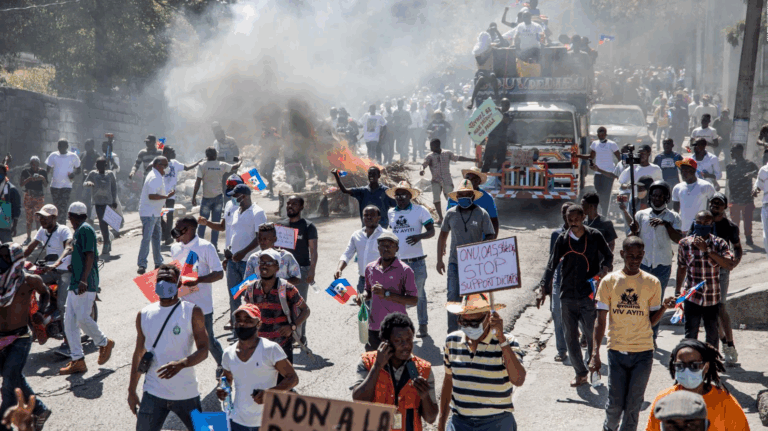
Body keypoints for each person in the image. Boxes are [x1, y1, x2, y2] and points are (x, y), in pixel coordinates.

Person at [589, 236, 676, 431]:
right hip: (616, 351)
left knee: (633, 406)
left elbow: (651, 322)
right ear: (622, 254)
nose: (634, 260)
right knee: (615, 405)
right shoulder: (609, 281)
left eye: (638, 256)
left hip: (643, 353)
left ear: (643, 256)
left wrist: (663, 308)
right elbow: (600, 320)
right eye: (630, 255)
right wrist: (595, 354)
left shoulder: (652, 282)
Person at [536, 204, 613, 387]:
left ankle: (594, 364)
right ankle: (580, 373)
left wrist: (604, 270)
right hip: (566, 296)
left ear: (583, 217)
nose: (573, 223)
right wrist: (542, 288)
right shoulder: (562, 240)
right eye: (569, 220)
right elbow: (551, 265)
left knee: (591, 334)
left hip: (588, 295)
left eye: (576, 219)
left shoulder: (594, 236)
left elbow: (608, 256)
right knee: (571, 338)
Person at [127, 264, 209, 431]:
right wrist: (131, 391)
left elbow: (204, 350)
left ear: (179, 284)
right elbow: (138, 354)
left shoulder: (193, 312)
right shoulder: (143, 314)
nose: (164, 284)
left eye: (169, 280)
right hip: (153, 392)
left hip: (186, 393)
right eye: (160, 280)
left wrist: (182, 363)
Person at [438, 294, 525, 431]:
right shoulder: (452, 341)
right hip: (460, 422)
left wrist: (502, 340)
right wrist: (441, 424)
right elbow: (448, 382)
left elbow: (518, 379)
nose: (469, 327)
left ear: (488, 318)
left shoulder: (508, 341)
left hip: (496, 423)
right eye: (464, 322)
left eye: (474, 323)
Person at [54, 202, 115, 375]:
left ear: (71, 217)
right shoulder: (80, 230)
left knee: (81, 318)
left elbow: (90, 255)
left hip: (84, 283)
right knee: (69, 321)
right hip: (77, 282)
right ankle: (77, 360)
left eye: (71, 217)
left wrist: (83, 280)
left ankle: (104, 342)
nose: (71, 220)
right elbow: (81, 255)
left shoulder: (85, 230)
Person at [217, 303, 299, 431]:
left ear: (259, 324)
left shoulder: (270, 349)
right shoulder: (228, 353)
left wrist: (270, 393)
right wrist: (221, 388)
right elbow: (226, 378)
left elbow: (292, 378)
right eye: (239, 320)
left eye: (248, 320)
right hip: (237, 421)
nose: (242, 324)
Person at [200, 184, 266, 337]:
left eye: (236, 196)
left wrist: (242, 252)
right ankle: (238, 331)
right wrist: (229, 257)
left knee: (251, 296)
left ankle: (254, 330)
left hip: (249, 263)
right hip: (233, 262)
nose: (233, 199)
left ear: (246, 196)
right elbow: (232, 233)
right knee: (234, 295)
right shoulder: (237, 211)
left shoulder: (257, 213)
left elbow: (260, 238)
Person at [352, 313, 438, 431]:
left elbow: (431, 419)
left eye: (409, 339)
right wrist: (377, 366)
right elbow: (358, 400)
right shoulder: (368, 362)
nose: (406, 345)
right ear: (386, 342)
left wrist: (425, 396)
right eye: (399, 341)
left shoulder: (423, 369)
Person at [0, 243, 52, 431]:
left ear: (16, 259)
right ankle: (40, 409)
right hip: (0, 339)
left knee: (8, 383)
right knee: (14, 377)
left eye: (6, 257)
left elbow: (45, 293)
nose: (2, 261)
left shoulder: (30, 280)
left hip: (20, 338)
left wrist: (42, 311)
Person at [646, 338, 750, 431]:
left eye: (694, 365)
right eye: (680, 365)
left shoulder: (726, 402)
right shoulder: (663, 399)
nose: (687, 370)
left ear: (706, 367)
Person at [437, 180, 497, 333]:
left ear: (472, 195)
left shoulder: (481, 213)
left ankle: (475, 331)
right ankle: (452, 333)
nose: (464, 197)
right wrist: (439, 260)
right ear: (457, 197)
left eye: (467, 194)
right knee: (453, 299)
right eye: (461, 195)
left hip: (475, 265)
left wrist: (481, 249)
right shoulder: (451, 213)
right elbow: (442, 235)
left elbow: (491, 234)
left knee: (475, 300)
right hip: (454, 264)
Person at [170, 216, 225, 375]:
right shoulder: (175, 248)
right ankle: (178, 370)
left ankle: (223, 366)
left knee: (208, 341)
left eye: (178, 228)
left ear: (188, 230)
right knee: (178, 340)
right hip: (180, 304)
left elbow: (219, 274)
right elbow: (176, 272)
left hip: (201, 306)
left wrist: (198, 280)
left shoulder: (205, 247)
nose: (175, 232)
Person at [629, 181, 683, 340]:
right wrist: (633, 231)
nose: (657, 198)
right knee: (639, 300)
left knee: (656, 302)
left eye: (661, 196)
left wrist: (666, 225)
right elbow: (633, 239)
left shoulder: (673, 216)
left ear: (666, 197)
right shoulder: (641, 214)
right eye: (654, 195)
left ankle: (652, 337)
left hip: (662, 265)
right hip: (644, 264)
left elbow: (678, 239)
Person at [676, 210, 736, 348]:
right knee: (690, 335)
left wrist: (707, 250)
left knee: (712, 335)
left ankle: (711, 365)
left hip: (712, 297)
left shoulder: (719, 243)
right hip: (692, 296)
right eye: (699, 222)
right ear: (694, 223)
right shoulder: (685, 244)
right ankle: (691, 364)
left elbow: (729, 264)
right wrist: (678, 290)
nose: (701, 225)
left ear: (711, 224)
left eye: (706, 223)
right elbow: (681, 268)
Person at [242, 249, 311, 363]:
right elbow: (249, 316)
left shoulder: (287, 288)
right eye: (262, 263)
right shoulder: (251, 289)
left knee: (286, 380)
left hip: (282, 347)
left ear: (277, 268)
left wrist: (292, 326)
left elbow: (305, 310)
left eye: (269, 263)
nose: (264, 266)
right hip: (259, 347)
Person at [386, 182, 435, 338]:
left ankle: (423, 325)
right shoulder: (391, 212)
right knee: (397, 296)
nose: (400, 198)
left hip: (417, 262)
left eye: (403, 195)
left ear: (410, 196)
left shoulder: (420, 211)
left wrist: (418, 237)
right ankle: (401, 328)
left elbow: (432, 231)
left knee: (419, 294)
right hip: (397, 262)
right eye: (397, 195)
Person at [355, 231, 418, 351]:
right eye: (382, 245)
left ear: (397, 248)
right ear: (378, 248)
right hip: (374, 326)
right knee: (373, 363)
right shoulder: (370, 268)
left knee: (396, 364)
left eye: (390, 245)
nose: (386, 248)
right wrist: (362, 297)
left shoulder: (405, 270)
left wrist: (386, 294)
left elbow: (413, 300)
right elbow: (368, 291)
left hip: (397, 328)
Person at [24, 204, 73, 355]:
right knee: (26, 285)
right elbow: (30, 248)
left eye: (45, 217)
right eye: (40, 217)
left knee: (62, 304)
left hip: (64, 271)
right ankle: (36, 321)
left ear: (54, 217)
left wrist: (58, 263)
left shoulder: (63, 230)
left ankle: (68, 342)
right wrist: (14, 261)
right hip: (49, 270)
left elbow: (68, 248)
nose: (41, 220)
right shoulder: (42, 231)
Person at [706, 194, 742, 365]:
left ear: (725, 207)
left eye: (719, 204)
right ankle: (722, 343)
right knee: (709, 312)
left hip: (720, 271)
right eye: (713, 203)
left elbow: (737, 248)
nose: (715, 206)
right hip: (703, 272)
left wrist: (735, 262)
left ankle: (730, 346)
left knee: (720, 308)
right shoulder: (702, 222)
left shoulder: (730, 226)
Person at [279, 196, 318, 344]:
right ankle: (286, 336)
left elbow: (313, 251)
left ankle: (301, 337)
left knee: (300, 306)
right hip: (283, 272)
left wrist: (311, 271)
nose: (290, 206)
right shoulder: (281, 226)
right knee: (283, 305)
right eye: (288, 203)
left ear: (301, 207)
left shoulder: (308, 226)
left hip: (301, 270)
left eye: (294, 204)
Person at [192, 147, 241, 250]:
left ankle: (199, 245)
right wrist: (240, 160)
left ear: (206, 156)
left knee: (202, 222)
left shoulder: (202, 165)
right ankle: (214, 245)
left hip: (206, 198)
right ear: (215, 155)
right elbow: (234, 167)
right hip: (218, 198)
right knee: (216, 222)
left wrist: (194, 196)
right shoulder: (221, 164)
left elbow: (197, 182)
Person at [420, 139, 476, 224]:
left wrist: (472, 160)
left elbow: (458, 158)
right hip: (435, 181)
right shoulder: (430, 156)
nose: (430, 147)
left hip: (447, 180)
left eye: (431, 146)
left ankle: (457, 216)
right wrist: (422, 170)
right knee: (436, 199)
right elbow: (423, 164)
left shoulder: (447, 153)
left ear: (437, 146)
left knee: (451, 199)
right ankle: (441, 218)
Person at [335, 205, 384, 298]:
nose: (368, 217)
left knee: (381, 311)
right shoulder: (356, 235)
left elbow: (396, 259)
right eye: (366, 215)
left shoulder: (386, 235)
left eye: (372, 215)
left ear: (379, 218)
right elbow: (347, 254)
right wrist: (339, 269)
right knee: (364, 311)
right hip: (363, 281)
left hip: (381, 281)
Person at [136, 157, 173, 275]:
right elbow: (152, 195)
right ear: (158, 165)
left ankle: (158, 262)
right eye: (165, 166)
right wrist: (166, 197)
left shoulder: (157, 176)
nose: (166, 169)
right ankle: (142, 264)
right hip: (149, 213)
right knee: (147, 238)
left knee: (157, 237)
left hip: (155, 212)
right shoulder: (154, 177)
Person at [160, 146, 202, 245]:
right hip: (160, 194)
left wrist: (197, 162)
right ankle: (165, 233)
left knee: (170, 216)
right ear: (166, 153)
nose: (174, 153)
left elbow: (187, 168)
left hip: (171, 194)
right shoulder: (160, 162)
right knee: (159, 215)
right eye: (172, 152)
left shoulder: (175, 163)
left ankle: (167, 237)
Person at [331, 166, 396, 229]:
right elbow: (344, 190)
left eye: (374, 174)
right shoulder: (362, 191)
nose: (371, 176)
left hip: (382, 228)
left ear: (379, 176)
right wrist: (336, 176)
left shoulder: (386, 191)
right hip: (367, 228)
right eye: (369, 174)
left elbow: (396, 206)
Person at [578, 127, 620, 217]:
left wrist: (618, 170)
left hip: (609, 173)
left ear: (606, 134)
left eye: (603, 134)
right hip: (597, 173)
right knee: (599, 193)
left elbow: (619, 158)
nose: (601, 136)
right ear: (597, 135)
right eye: (599, 134)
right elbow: (590, 157)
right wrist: (577, 155)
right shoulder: (594, 144)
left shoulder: (612, 144)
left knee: (606, 194)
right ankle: (600, 214)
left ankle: (605, 215)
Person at [447, 167, 500, 235]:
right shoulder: (453, 198)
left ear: (479, 182)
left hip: (480, 241)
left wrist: (492, 240)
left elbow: (494, 220)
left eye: (474, 179)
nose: (470, 181)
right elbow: (448, 221)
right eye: (468, 178)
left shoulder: (487, 198)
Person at [83, 157, 117, 255]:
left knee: (105, 222)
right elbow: (84, 183)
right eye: (98, 165)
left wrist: (114, 200)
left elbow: (114, 188)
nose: (99, 167)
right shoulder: (93, 174)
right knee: (102, 222)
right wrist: (88, 183)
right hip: (98, 202)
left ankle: (107, 242)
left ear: (105, 165)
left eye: (102, 165)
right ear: (96, 165)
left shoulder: (110, 174)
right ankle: (107, 242)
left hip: (108, 201)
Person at [672, 158, 716, 234]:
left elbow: (713, 206)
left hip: (701, 228)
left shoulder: (706, 186)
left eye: (686, 171)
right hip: (684, 229)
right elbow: (675, 210)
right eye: (681, 171)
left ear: (693, 171)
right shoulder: (677, 188)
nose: (683, 173)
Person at [726, 144, 758, 246]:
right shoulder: (730, 166)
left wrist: (752, 175)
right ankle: (735, 239)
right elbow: (729, 181)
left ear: (740, 152)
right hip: (734, 197)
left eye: (733, 151)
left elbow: (760, 174)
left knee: (747, 219)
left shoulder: (750, 164)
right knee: (734, 221)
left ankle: (749, 237)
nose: (731, 154)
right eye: (731, 151)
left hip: (747, 197)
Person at [45, 139, 81, 224]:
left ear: (67, 147)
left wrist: (73, 173)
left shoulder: (73, 156)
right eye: (58, 146)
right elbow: (47, 170)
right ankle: (56, 224)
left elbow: (79, 169)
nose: (59, 148)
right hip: (54, 186)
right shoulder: (53, 155)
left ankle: (62, 225)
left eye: (61, 146)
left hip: (67, 186)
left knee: (63, 206)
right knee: (56, 206)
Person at [19, 157, 48, 245]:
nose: (34, 165)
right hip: (28, 196)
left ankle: (39, 240)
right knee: (29, 218)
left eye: (36, 163)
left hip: (39, 197)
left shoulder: (42, 172)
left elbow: (46, 185)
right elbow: (21, 184)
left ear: (39, 164)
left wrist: (42, 178)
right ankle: (28, 238)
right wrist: (29, 179)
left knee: (39, 218)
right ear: (30, 164)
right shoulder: (25, 171)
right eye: (33, 163)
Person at [0, 165, 21, 244]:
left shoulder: (11, 189)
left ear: (5, 174)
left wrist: (14, 226)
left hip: (4, 224)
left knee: (6, 246)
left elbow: (16, 208)